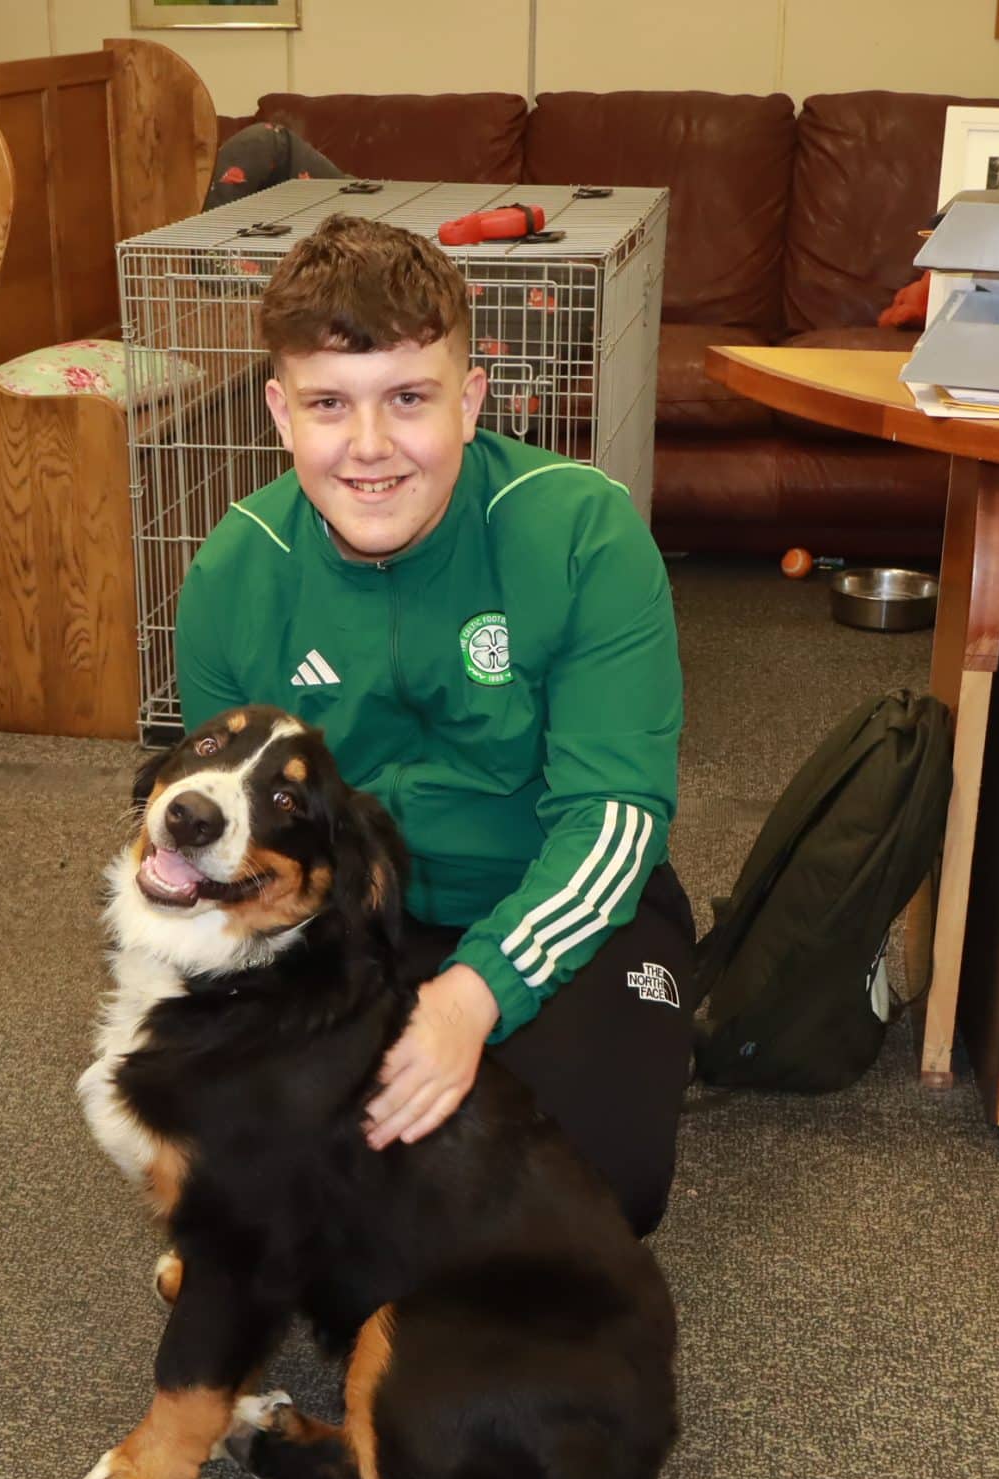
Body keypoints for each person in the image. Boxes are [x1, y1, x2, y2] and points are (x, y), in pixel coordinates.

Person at [175, 214, 691, 1236]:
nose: (369, 449)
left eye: (408, 399)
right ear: (280, 413)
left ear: (471, 400)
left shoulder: (584, 530)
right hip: (350, 922)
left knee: (596, 1188)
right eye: (329, 405)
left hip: (562, 897)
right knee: (260, 1154)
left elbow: (616, 817)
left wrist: (472, 997)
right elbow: (237, 852)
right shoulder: (231, 574)